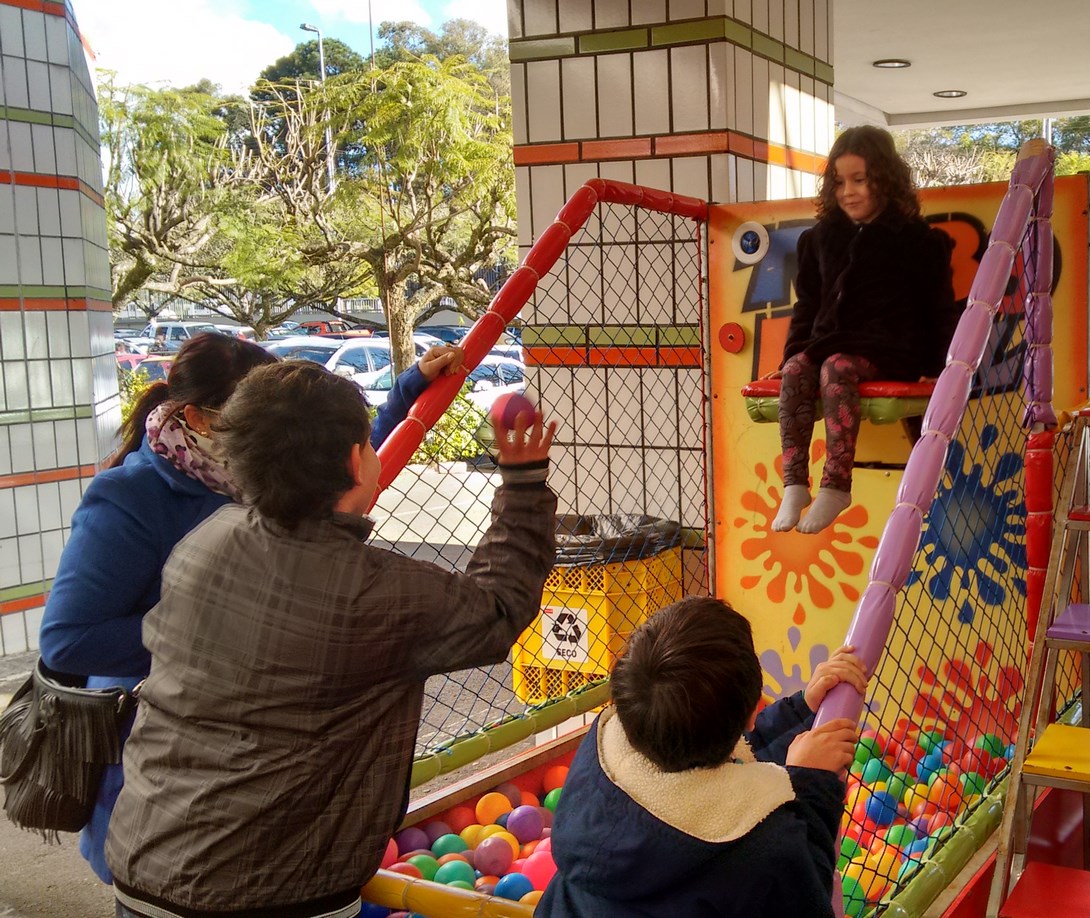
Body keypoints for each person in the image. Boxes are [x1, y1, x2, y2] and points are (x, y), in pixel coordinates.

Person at [105, 361, 558, 917]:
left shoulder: (206, 541)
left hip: (146, 866)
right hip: (273, 893)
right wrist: (523, 483)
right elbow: (498, 609)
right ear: (353, 461)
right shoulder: (377, 592)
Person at [37, 334, 464, 884]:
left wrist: (409, 390)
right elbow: (68, 639)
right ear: (197, 418)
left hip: (260, 762)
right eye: (251, 415)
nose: (273, 433)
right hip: (161, 762)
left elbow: (339, 463)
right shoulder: (132, 497)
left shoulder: (254, 473)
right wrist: (216, 631)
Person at [539, 597, 867, 917]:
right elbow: (807, 893)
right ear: (753, 711)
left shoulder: (603, 754)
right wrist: (809, 785)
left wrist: (801, 708)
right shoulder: (761, 844)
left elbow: (717, 756)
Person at [772, 125, 956, 534]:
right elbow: (807, 306)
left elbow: (938, 309)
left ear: (884, 180)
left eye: (859, 180)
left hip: (890, 347)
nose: (848, 192)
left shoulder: (917, 240)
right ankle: (794, 483)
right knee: (798, 368)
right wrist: (791, 354)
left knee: (836, 367)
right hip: (831, 341)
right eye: (839, 182)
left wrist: (935, 366)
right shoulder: (821, 239)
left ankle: (836, 485)